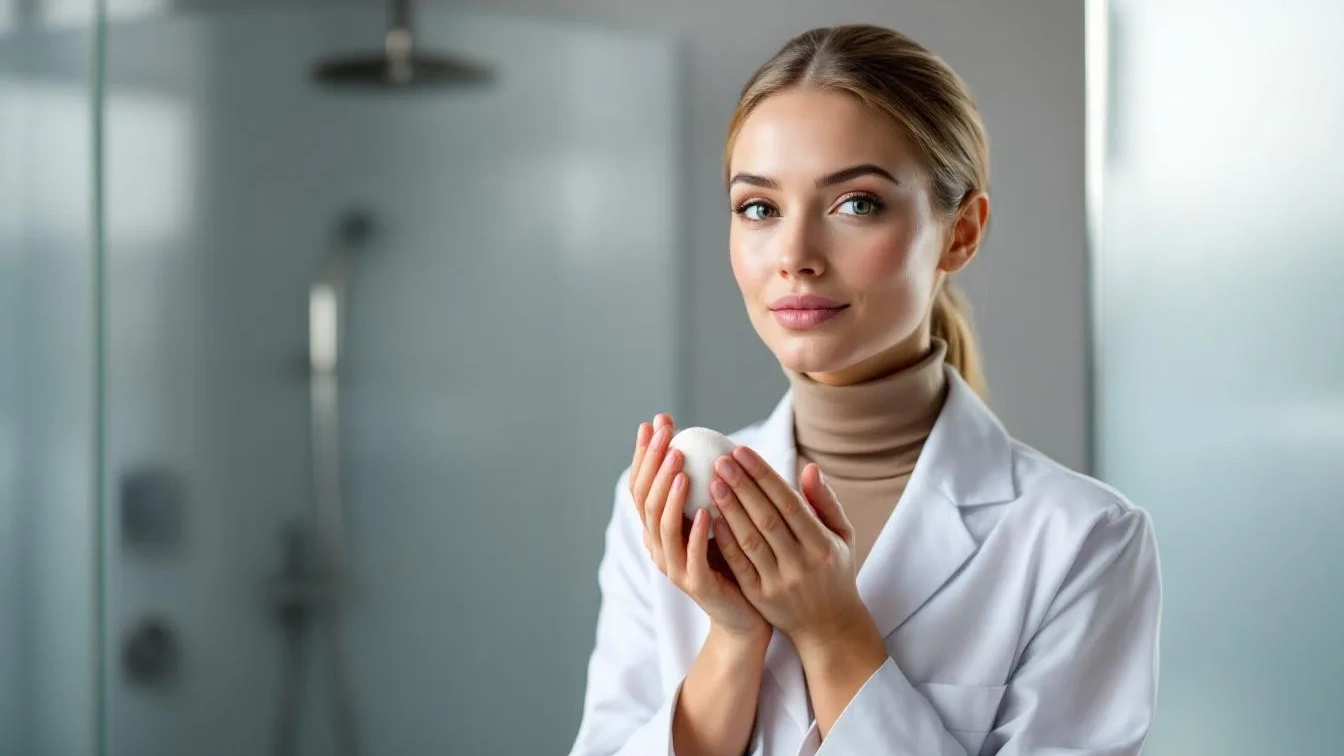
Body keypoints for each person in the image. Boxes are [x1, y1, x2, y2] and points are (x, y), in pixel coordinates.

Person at [567, 23, 1161, 756]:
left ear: (961, 233)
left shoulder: (1083, 540)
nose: (794, 256)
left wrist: (832, 629)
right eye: (759, 208)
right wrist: (732, 638)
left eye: (856, 204)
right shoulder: (657, 507)